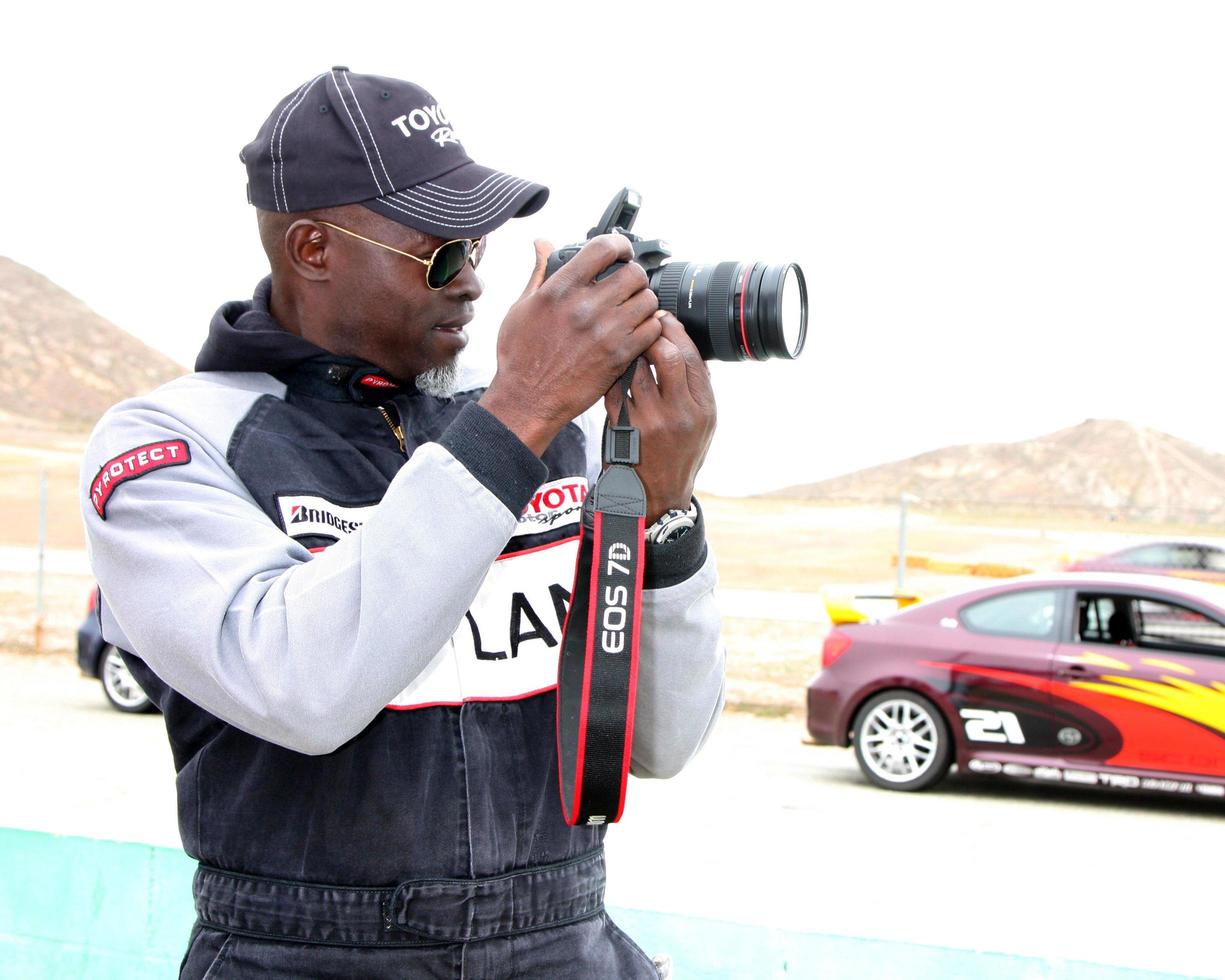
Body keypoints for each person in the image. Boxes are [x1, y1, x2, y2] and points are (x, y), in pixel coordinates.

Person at [80, 67, 724, 978]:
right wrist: (520, 409)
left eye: (479, 246)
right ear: (311, 248)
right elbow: (302, 687)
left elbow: (657, 743)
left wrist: (664, 513)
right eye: (439, 253)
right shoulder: (175, 443)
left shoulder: (548, 429)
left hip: (562, 936)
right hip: (300, 952)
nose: (470, 282)